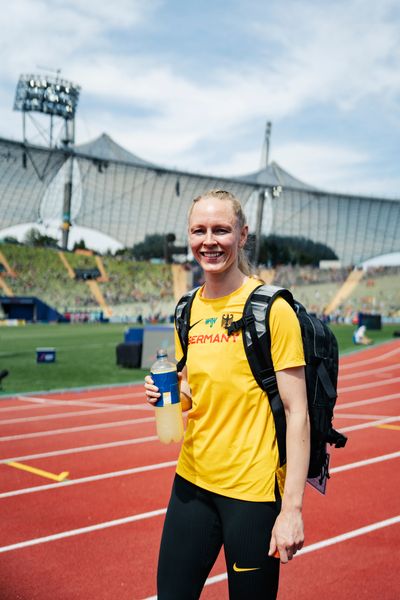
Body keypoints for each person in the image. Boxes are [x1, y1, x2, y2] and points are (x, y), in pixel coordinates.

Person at [144, 189, 310, 600]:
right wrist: (168, 394)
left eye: (221, 229)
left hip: (251, 496)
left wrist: (291, 510)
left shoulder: (272, 310)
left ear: (242, 235)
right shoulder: (186, 308)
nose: (209, 240)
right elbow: (191, 389)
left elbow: (298, 412)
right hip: (192, 484)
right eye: (199, 230)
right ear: (189, 236)